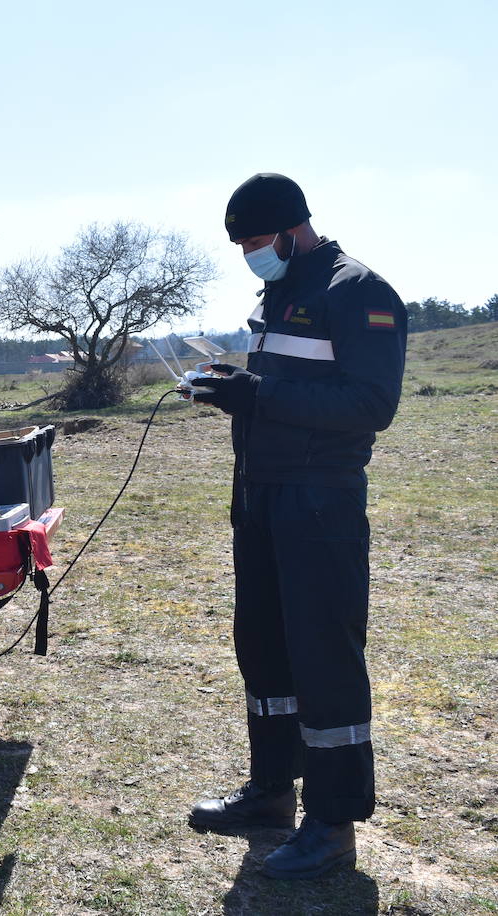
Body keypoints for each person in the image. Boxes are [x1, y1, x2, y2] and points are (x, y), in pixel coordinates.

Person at [189, 173, 407, 880]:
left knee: (323, 659)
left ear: (291, 228)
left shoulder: (359, 292)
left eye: (255, 240)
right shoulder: (279, 290)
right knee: (265, 650)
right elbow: (288, 389)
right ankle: (272, 794)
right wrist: (233, 389)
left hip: (320, 503)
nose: (249, 253)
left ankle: (334, 825)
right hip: (260, 497)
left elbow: (370, 403)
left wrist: (256, 393)